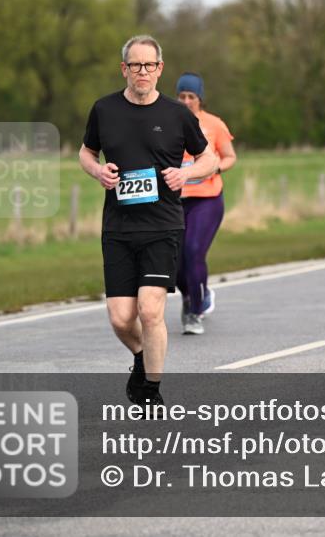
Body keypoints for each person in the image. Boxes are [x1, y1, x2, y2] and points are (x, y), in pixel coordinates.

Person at [79, 35, 217, 406]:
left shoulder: (177, 114)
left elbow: (210, 159)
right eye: (135, 65)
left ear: (160, 69)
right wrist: (97, 172)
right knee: (122, 318)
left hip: (163, 227)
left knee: (150, 310)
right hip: (119, 228)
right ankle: (142, 359)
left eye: (150, 65)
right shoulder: (104, 110)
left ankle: (151, 391)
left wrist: (185, 175)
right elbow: (86, 152)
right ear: (124, 69)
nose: (143, 72)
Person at [175, 72, 237, 335]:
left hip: (207, 199)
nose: (187, 101)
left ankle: (195, 311)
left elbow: (229, 156)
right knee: (174, 260)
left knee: (193, 250)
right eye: (182, 96)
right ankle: (192, 294)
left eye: (192, 96)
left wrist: (215, 169)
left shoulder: (213, 124)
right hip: (176, 200)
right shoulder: (168, 122)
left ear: (200, 99)